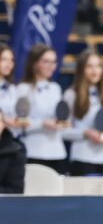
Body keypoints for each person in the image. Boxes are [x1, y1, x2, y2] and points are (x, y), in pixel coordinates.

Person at [62, 49, 103, 176]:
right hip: (81, 159)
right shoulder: (71, 94)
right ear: (81, 70)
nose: (95, 71)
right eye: (89, 66)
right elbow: (63, 131)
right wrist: (86, 133)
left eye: (98, 66)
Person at [16, 43, 68, 174]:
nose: (51, 66)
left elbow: (60, 116)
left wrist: (61, 123)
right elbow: (18, 122)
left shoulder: (56, 88)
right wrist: (42, 123)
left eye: (54, 62)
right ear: (35, 63)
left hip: (57, 152)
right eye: (46, 61)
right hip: (33, 150)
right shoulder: (23, 89)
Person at [0, 43, 26, 193]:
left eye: (12, 60)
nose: (9, 64)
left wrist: (18, 121)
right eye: (4, 59)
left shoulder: (14, 89)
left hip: (11, 143)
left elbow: (19, 116)